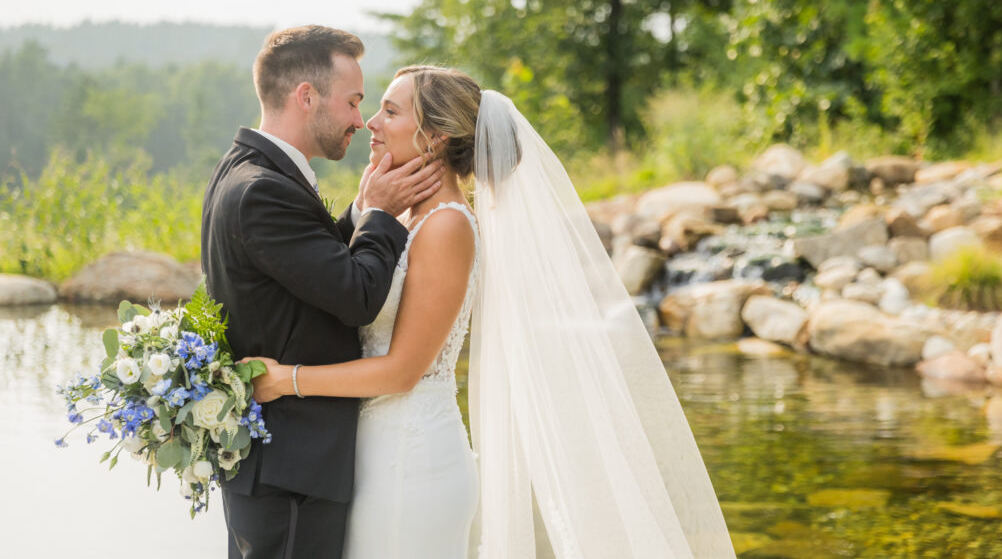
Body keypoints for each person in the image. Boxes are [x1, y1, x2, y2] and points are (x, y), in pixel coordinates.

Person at [247, 66, 737, 558]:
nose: (370, 122)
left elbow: (401, 372)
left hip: (411, 464)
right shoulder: (403, 219)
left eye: (390, 111)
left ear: (435, 138)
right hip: (377, 455)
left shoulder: (447, 228)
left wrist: (286, 378)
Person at [200, 26, 443, 559]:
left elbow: (304, 268)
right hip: (292, 471)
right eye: (354, 101)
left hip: (282, 466)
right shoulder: (265, 190)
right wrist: (380, 214)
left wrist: (359, 214)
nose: (362, 120)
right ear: (306, 97)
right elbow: (357, 295)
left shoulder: (242, 171)